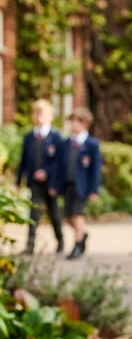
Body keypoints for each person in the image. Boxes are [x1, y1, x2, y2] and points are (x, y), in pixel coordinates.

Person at [17, 99, 64, 254]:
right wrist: (19, 181)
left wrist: (48, 173)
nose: (39, 117)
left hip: (50, 183)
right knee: (33, 214)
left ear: (50, 116)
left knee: (54, 213)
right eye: (36, 114)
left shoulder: (56, 137)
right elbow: (23, 160)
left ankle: (60, 242)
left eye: (42, 114)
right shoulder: (29, 137)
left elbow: (59, 162)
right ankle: (30, 245)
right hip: (34, 183)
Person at [58, 108, 102, 260]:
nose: (72, 125)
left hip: (82, 187)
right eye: (71, 122)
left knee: (77, 215)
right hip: (67, 184)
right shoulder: (66, 143)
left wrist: (94, 189)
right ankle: (82, 234)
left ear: (85, 124)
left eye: (76, 122)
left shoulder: (91, 144)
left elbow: (96, 169)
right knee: (67, 217)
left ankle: (77, 245)